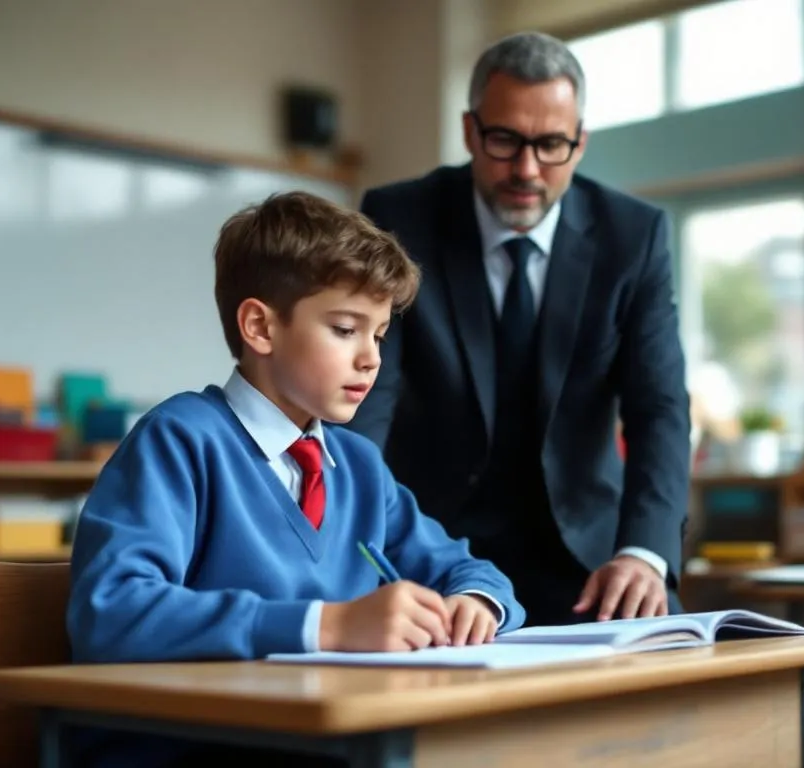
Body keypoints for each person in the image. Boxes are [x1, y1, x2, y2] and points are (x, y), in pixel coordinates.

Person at [65, 191, 525, 767]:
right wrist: (327, 626)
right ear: (260, 326)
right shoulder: (182, 439)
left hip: (320, 744)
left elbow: (468, 570)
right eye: (345, 329)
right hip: (185, 751)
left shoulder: (358, 466)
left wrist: (474, 602)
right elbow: (111, 611)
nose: (371, 358)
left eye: (379, 335)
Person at [346, 31, 691, 628]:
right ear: (470, 131)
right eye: (505, 140)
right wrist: (352, 541)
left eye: (551, 144)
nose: (527, 170)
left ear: (580, 143)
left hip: (587, 555)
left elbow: (658, 407)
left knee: (681, 661)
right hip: (434, 549)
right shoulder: (400, 219)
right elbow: (369, 390)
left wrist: (644, 552)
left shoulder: (632, 237)